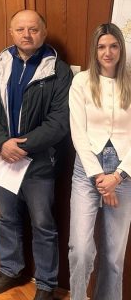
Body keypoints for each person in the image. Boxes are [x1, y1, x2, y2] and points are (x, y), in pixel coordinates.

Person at [0, 9, 71, 300]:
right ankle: (10, 270)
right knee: (7, 218)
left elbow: (60, 121)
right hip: (2, 159)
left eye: (33, 29)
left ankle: (47, 283)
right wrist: (2, 142)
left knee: (43, 223)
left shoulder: (59, 71)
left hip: (40, 163)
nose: (27, 35)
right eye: (21, 29)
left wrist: (22, 145)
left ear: (44, 32)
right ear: (11, 32)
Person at [68, 23, 131, 300]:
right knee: (80, 250)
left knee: (114, 255)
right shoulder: (81, 82)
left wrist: (118, 176)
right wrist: (99, 177)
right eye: (102, 46)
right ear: (94, 50)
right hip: (87, 169)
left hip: (123, 172)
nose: (108, 52)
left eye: (114, 46)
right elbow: (77, 132)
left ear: (121, 49)